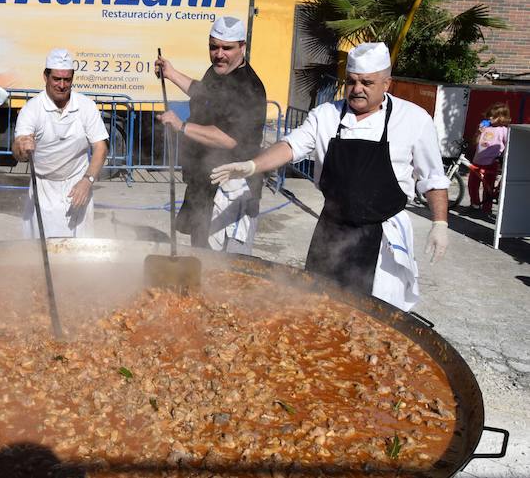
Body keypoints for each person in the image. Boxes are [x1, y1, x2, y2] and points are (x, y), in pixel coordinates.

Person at [210, 42, 450, 311]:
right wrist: (253, 165)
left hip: (381, 236)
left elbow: (433, 178)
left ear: (387, 83)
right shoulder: (326, 115)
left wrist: (440, 223)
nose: (357, 89)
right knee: (317, 305)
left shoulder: (413, 120)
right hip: (331, 230)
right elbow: (291, 146)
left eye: (367, 83)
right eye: (352, 81)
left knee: (374, 314)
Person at [155, 16, 266, 252]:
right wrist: (171, 73)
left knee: (226, 269)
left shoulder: (249, 88)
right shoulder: (216, 73)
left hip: (232, 191)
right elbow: (201, 93)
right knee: (199, 259)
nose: (219, 54)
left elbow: (228, 138)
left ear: (242, 48)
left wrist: (182, 126)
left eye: (227, 48)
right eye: (214, 47)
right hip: (204, 186)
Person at [12, 49, 109, 238]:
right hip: (43, 186)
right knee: (41, 250)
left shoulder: (86, 106)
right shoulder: (32, 109)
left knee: (80, 248)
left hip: (78, 182)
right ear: (45, 77)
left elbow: (100, 147)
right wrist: (22, 147)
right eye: (57, 79)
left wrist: (87, 181)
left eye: (67, 80)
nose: (62, 85)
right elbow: (18, 150)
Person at [469, 102, 511, 214]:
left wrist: (502, 158)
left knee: (488, 187)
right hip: (477, 160)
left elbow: (508, 145)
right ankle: (475, 204)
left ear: (502, 117)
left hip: (491, 162)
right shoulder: (484, 128)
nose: (490, 118)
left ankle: (487, 208)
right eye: (489, 115)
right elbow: (475, 142)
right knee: (472, 185)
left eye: (494, 116)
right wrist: (478, 132)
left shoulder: (503, 130)